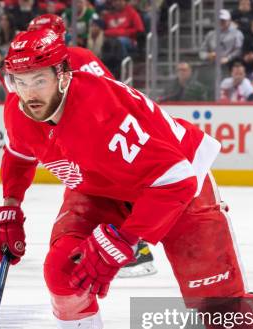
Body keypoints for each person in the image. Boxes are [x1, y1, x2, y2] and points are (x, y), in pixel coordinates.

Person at [0, 29, 253, 329]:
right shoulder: (19, 108)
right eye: (19, 82)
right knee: (63, 268)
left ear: (62, 74)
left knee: (225, 322)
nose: (28, 93)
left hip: (177, 187)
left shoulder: (100, 113)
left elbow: (176, 179)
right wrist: (10, 206)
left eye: (38, 80)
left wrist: (125, 238)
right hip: (99, 188)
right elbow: (20, 153)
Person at [29, 13, 157, 277]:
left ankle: (135, 249)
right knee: (91, 193)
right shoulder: (57, 64)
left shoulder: (80, 59)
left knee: (111, 190)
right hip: (89, 140)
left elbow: (111, 94)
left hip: (105, 138)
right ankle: (110, 246)